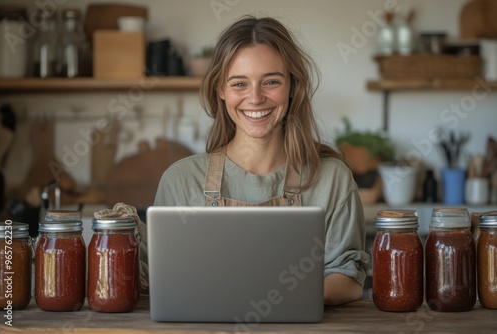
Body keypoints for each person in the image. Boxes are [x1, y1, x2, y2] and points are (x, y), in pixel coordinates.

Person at [154, 15, 371, 305]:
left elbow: (348, 280)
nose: (255, 98)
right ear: (220, 89)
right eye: (239, 84)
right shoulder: (180, 181)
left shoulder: (332, 179)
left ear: (293, 86)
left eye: (271, 81)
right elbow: (157, 277)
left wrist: (273, 299)